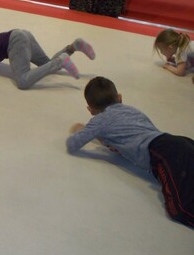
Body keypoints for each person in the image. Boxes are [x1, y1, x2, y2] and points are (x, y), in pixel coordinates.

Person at [66, 76, 194, 228]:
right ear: (119, 98)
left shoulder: (99, 121)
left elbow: (72, 144)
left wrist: (81, 129)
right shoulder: (132, 110)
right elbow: (137, 134)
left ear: (91, 110)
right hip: (176, 141)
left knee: (180, 209)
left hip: (165, 154)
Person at [0, 17, 95, 90]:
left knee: (23, 82)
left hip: (14, 43)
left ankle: (60, 61)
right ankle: (73, 47)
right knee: (45, 64)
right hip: (21, 34)